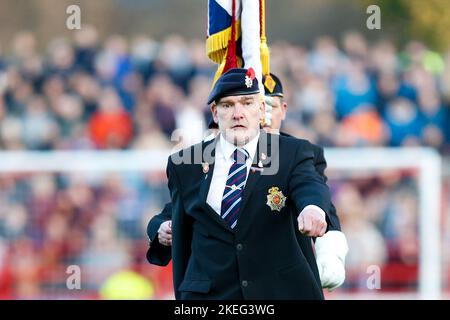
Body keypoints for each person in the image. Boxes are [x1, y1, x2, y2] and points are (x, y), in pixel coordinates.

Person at [147, 73, 348, 293]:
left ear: (261, 110)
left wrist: (312, 209)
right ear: (215, 112)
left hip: (279, 291)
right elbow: (174, 213)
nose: (237, 114)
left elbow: (309, 185)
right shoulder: (185, 164)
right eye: (227, 105)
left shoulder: (291, 152)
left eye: (247, 103)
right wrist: (161, 229)